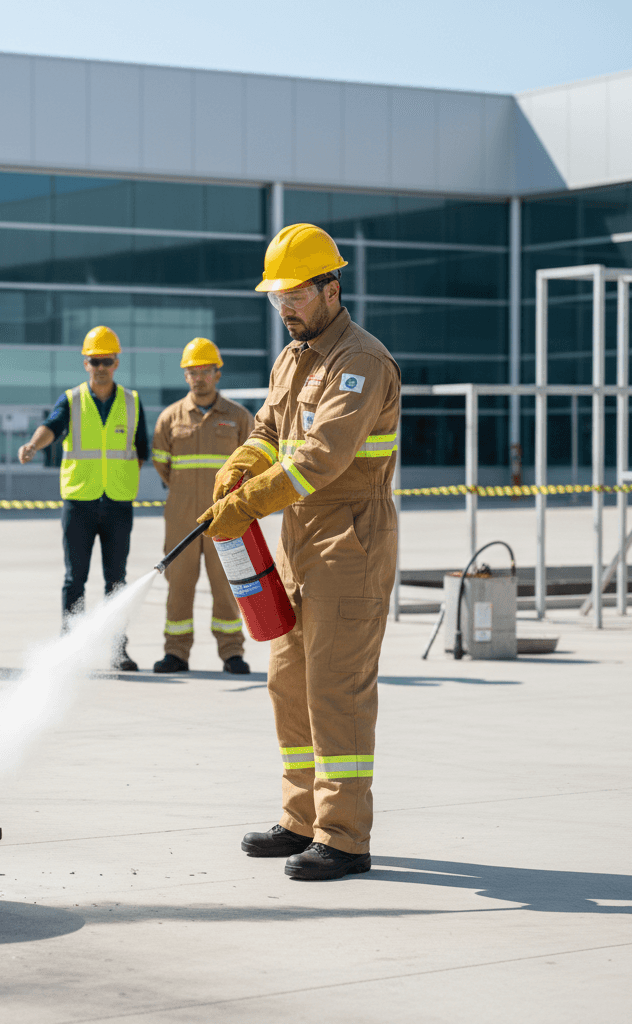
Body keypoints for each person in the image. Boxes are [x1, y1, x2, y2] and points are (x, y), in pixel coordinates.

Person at [198, 224, 400, 881]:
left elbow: (321, 458)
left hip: (350, 538)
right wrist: (242, 462)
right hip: (297, 538)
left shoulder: (360, 362)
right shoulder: (293, 358)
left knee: (336, 688)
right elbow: (269, 429)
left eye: (296, 294)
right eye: (277, 297)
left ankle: (344, 836)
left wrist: (249, 502)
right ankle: (301, 819)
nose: (285, 307)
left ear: (331, 289)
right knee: (288, 682)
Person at [17, 326, 148, 671]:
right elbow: (52, 426)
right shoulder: (72, 400)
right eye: (94, 361)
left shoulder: (132, 402)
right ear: (85, 364)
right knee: (75, 579)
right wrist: (33, 444)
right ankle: (70, 649)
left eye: (106, 361)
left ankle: (117, 650)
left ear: (116, 363)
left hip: (118, 503)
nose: (101, 367)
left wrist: (125, 479)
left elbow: (141, 450)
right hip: (80, 502)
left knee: (116, 581)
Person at [151, 338, 253, 674]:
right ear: (185, 376)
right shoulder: (169, 418)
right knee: (178, 586)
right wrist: (184, 493)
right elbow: (162, 464)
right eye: (192, 372)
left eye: (205, 371)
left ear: (217, 373)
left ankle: (232, 653)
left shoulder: (238, 417)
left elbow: (254, 464)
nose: (198, 378)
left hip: (227, 518)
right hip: (181, 516)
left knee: (226, 586)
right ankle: (176, 653)